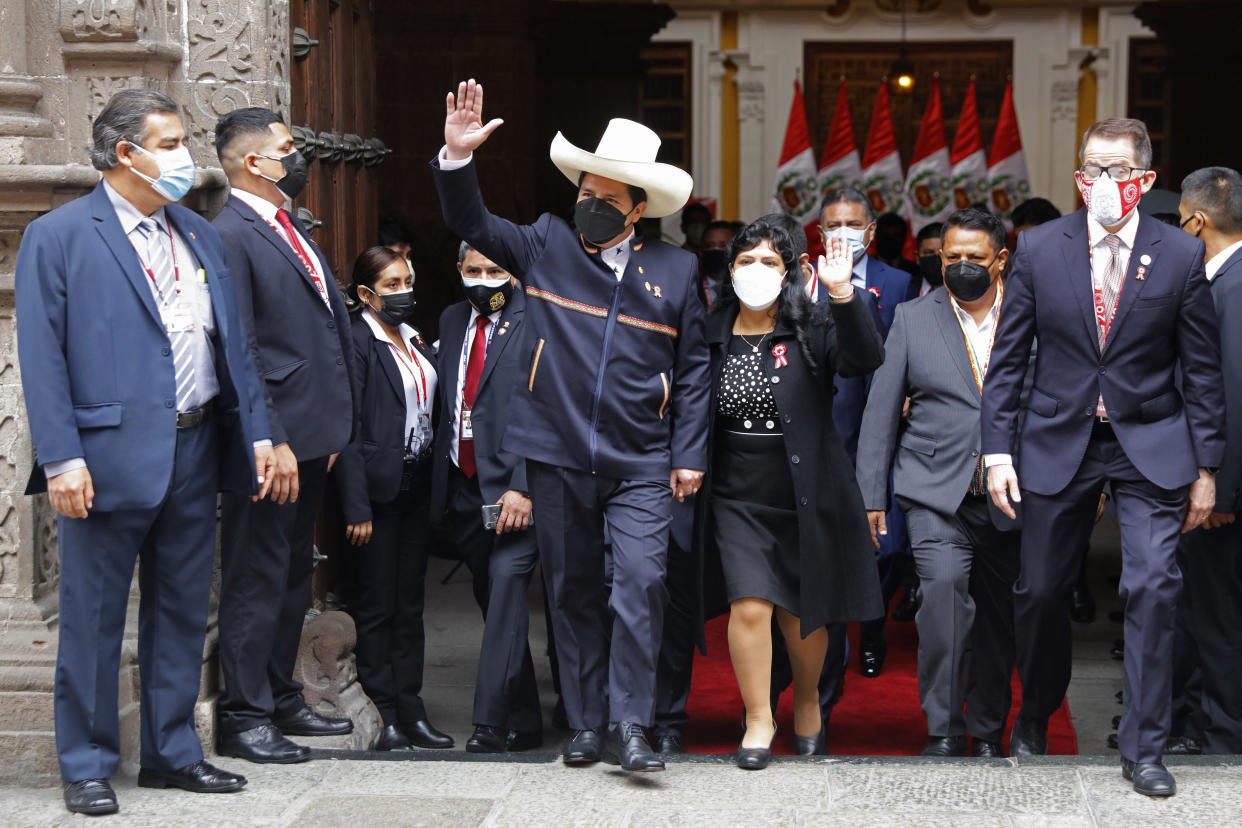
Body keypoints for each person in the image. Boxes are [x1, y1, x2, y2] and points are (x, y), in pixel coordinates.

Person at [430, 79, 710, 773]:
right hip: (554, 455)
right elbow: (474, 224)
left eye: (608, 199)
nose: (589, 205)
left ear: (638, 211)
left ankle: (631, 726)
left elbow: (696, 368)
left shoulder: (677, 271)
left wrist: (689, 451)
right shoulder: (546, 243)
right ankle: (586, 726)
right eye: (585, 191)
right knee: (573, 592)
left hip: (642, 459)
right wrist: (458, 159)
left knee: (640, 583)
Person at [15, 88, 272, 815]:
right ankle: (87, 763)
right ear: (125, 152)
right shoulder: (60, 236)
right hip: (102, 459)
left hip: (195, 446)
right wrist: (62, 459)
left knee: (184, 609)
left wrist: (254, 431)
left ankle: (171, 751)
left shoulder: (195, 231)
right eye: (169, 142)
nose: (183, 156)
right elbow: (43, 357)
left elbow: (231, 342)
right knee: (93, 616)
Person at [983, 118, 1225, 797]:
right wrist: (997, 450)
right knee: (1038, 592)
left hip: (1150, 440)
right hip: (1058, 438)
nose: (1104, 182)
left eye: (1119, 170)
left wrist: (1207, 469)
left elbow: (1201, 370)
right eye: (1093, 169)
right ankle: (1034, 714)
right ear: (1078, 177)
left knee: (1152, 584)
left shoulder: (1179, 254)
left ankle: (1145, 747)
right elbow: (1008, 363)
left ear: (1145, 179)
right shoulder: (1036, 248)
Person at [698, 218, 883, 769]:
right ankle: (759, 717)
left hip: (805, 489)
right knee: (750, 604)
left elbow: (863, 358)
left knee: (802, 614)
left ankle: (807, 702)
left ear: (792, 271)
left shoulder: (815, 324)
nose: (757, 272)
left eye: (770, 262)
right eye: (746, 261)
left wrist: (843, 292)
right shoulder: (710, 330)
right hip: (736, 490)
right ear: (730, 271)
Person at [211, 107, 358, 764]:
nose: (299, 158)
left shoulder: (287, 225)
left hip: (316, 434)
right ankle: (244, 716)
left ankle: (279, 692)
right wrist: (270, 433)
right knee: (257, 574)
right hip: (277, 445)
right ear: (253, 163)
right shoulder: (231, 233)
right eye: (288, 148)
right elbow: (238, 344)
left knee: (294, 572)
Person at [857, 208, 1021, 757]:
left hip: (1010, 494)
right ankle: (945, 729)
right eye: (952, 258)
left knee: (999, 620)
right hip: (933, 492)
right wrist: (871, 495)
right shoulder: (912, 316)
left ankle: (989, 732)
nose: (962, 266)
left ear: (1001, 260)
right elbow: (881, 410)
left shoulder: (1030, 315)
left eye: (976, 258)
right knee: (944, 602)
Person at [335, 246, 451, 750]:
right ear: (366, 294)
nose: (404, 292)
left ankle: (412, 705)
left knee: (410, 603)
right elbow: (350, 428)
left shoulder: (414, 337)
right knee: (378, 604)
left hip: (417, 486)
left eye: (407, 280)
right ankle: (383, 710)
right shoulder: (358, 341)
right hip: (377, 494)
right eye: (391, 285)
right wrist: (356, 505)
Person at [430, 241, 543, 753]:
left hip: (517, 488)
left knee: (505, 590)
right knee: (491, 599)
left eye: (494, 269)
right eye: (473, 269)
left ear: (513, 274)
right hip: (462, 484)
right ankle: (525, 719)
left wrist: (523, 483)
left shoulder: (538, 317)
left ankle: (490, 723)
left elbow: (546, 406)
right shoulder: (454, 319)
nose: (483, 278)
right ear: (458, 270)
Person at [819, 188, 913, 680]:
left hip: (880, 426)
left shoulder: (899, 282)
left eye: (852, 225)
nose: (842, 234)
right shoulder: (801, 281)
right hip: (824, 427)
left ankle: (871, 630)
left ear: (871, 232)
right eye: (833, 226)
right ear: (819, 232)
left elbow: (909, 344)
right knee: (828, 546)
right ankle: (835, 644)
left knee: (888, 544)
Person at [1171, 166, 1242, 754]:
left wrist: (1222, 487)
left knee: (1220, 622)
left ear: (1196, 223)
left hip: (1224, 494)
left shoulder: (1233, 285)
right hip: (1214, 483)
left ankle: (1224, 742)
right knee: (1202, 615)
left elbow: (1233, 391)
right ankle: (1199, 727)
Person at [698, 219, 736, 311]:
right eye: (709, 246)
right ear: (701, 251)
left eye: (724, 245)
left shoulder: (745, 289)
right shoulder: (691, 288)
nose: (716, 250)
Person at [874, 212, 919, 278]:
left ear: (904, 238)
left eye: (896, 235)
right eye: (885, 235)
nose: (890, 240)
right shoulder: (864, 268)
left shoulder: (915, 271)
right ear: (875, 236)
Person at [907, 221, 944, 299]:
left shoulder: (963, 289)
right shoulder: (906, 288)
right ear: (917, 258)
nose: (937, 258)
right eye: (929, 252)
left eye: (942, 252)